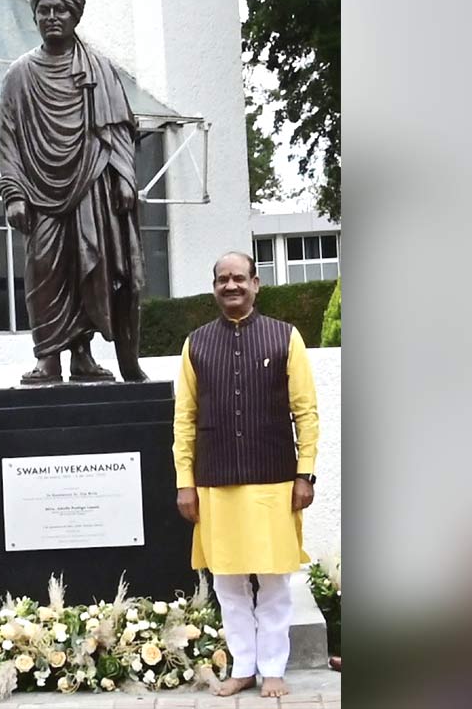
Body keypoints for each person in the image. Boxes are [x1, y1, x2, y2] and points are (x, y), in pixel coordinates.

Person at [172, 252, 320, 698]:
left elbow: (306, 412)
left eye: (239, 278)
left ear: (256, 283)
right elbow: (184, 418)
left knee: (274, 580)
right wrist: (184, 482)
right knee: (227, 581)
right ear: (214, 287)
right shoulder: (196, 343)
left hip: (274, 480)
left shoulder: (285, 337)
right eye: (223, 279)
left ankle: (273, 668)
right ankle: (242, 667)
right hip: (215, 482)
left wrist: (306, 474)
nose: (231, 285)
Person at [0, 0, 147, 384]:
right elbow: (8, 138)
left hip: (90, 183)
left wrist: (123, 177)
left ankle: (82, 353)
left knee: (89, 264)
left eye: (60, 9)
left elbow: (118, 130)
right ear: (34, 14)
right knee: (44, 269)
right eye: (44, 9)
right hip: (38, 192)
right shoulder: (19, 75)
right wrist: (14, 194)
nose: (51, 17)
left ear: (75, 14)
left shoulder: (100, 70)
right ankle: (48, 356)